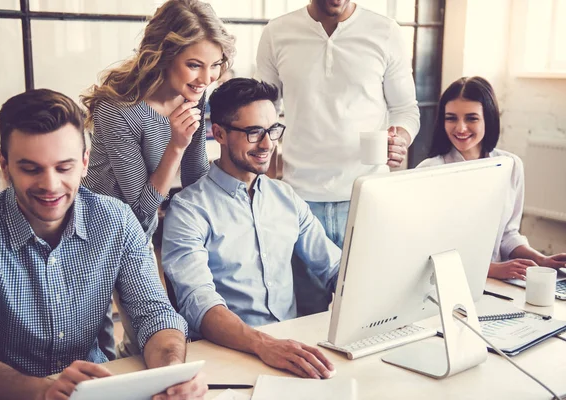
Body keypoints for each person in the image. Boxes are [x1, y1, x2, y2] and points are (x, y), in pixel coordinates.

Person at [0, 89, 206, 400]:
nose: (50, 185)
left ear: (84, 161)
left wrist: (173, 375)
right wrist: (45, 392)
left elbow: (155, 314)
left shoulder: (114, 220)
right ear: (5, 164)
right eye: (31, 168)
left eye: (64, 168)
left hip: (99, 390)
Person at [80, 0, 235, 357]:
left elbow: (196, 179)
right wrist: (176, 145)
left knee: (154, 337)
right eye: (194, 65)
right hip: (98, 231)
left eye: (214, 66)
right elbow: (136, 212)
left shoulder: (193, 93)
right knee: (98, 344)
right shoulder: (118, 110)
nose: (206, 78)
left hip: (147, 227)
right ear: (164, 54)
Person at [161, 78, 341, 379]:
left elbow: (333, 267)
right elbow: (198, 302)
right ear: (218, 133)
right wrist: (263, 344)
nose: (268, 143)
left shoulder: (285, 197)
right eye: (254, 132)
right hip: (226, 357)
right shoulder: (189, 209)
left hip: (288, 349)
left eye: (273, 130)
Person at [254, 0, 420, 313]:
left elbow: (405, 109)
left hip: (367, 198)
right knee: (305, 315)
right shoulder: (277, 33)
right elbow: (264, 109)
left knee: (371, 311)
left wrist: (401, 138)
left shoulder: (385, 32)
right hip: (299, 200)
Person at [417, 76, 566, 280]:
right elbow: (425, 249)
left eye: (471, 118)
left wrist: (540, 260)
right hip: (448, 283)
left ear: (489, 118)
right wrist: (491, 269)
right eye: (451, 118)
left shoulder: (511, 165)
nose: (460, 128)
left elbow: (507, 234)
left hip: (497, 283)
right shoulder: (429, 171)